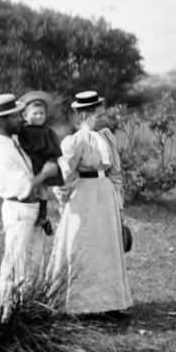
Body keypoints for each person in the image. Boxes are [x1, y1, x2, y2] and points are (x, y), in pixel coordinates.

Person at [49, 91, 133, 318]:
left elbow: (115, 173)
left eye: (101, 110)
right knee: (84, 247)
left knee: (107, 248)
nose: (101, 115)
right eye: (97, 112)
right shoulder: (75, 141)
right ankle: (81, 306)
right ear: (85, 114)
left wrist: (118, 204)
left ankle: (110, 303)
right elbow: (64, 174)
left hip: (104, 195)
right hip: (84, 198)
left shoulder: (107, 137)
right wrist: (63, 199)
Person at [0, 93, 59, 320]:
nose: (20, 119)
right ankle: (3, 316)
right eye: (15, 115)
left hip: (30, 209)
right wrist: (46, 174)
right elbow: (23, 187)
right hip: (18, 209)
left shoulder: (11, 143)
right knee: (13, 264)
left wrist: (42, 210)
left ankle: (25, 312)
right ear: (2, 120)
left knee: (31, 263)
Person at [15, 90, 64, 236]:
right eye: (35, 114)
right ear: (25, 116)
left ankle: (43, 216)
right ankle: (32, 216)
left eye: (42, 114)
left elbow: (55, 150)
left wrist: (52, 161)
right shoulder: (22, 130)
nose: (39, 116)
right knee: (30, 190)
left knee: (43, 189)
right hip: (30, 163)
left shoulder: (47, 132)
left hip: (43, 163)